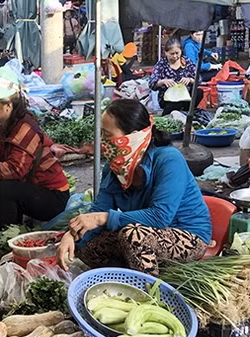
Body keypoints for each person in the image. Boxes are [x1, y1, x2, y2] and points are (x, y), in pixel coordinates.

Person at [57, 99, 211, 274]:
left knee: (132, 235)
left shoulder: (169, 159)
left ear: (133, 136)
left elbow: (160, 217)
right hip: (147, 233)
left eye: (107, 135)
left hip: (188, 236)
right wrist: (72, 235)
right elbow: (99, 208)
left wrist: (103, 218)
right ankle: (126, 274)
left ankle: (148, 292)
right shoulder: (115, 167)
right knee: (88, 247)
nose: (102, 141)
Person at [0, 67, 70, 229]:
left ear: (7, 105)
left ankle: (5, 236)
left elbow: (16, 170)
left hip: (53, 197)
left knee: (5, 189)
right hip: (30, 187)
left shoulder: (25, 129)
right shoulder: (3, 126)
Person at [149, 38, 203, 115]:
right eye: (171, 54)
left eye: (177, 53)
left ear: (181, 51)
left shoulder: (186, 61)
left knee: (198, 92)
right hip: (168, 99)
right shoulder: (161, 64)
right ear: (166, 53)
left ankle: (188, 112)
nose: (175, 56)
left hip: (185, 96)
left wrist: (190, 80)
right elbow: (151, 84)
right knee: (175, 103)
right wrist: (163, 82)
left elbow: (199, 79)